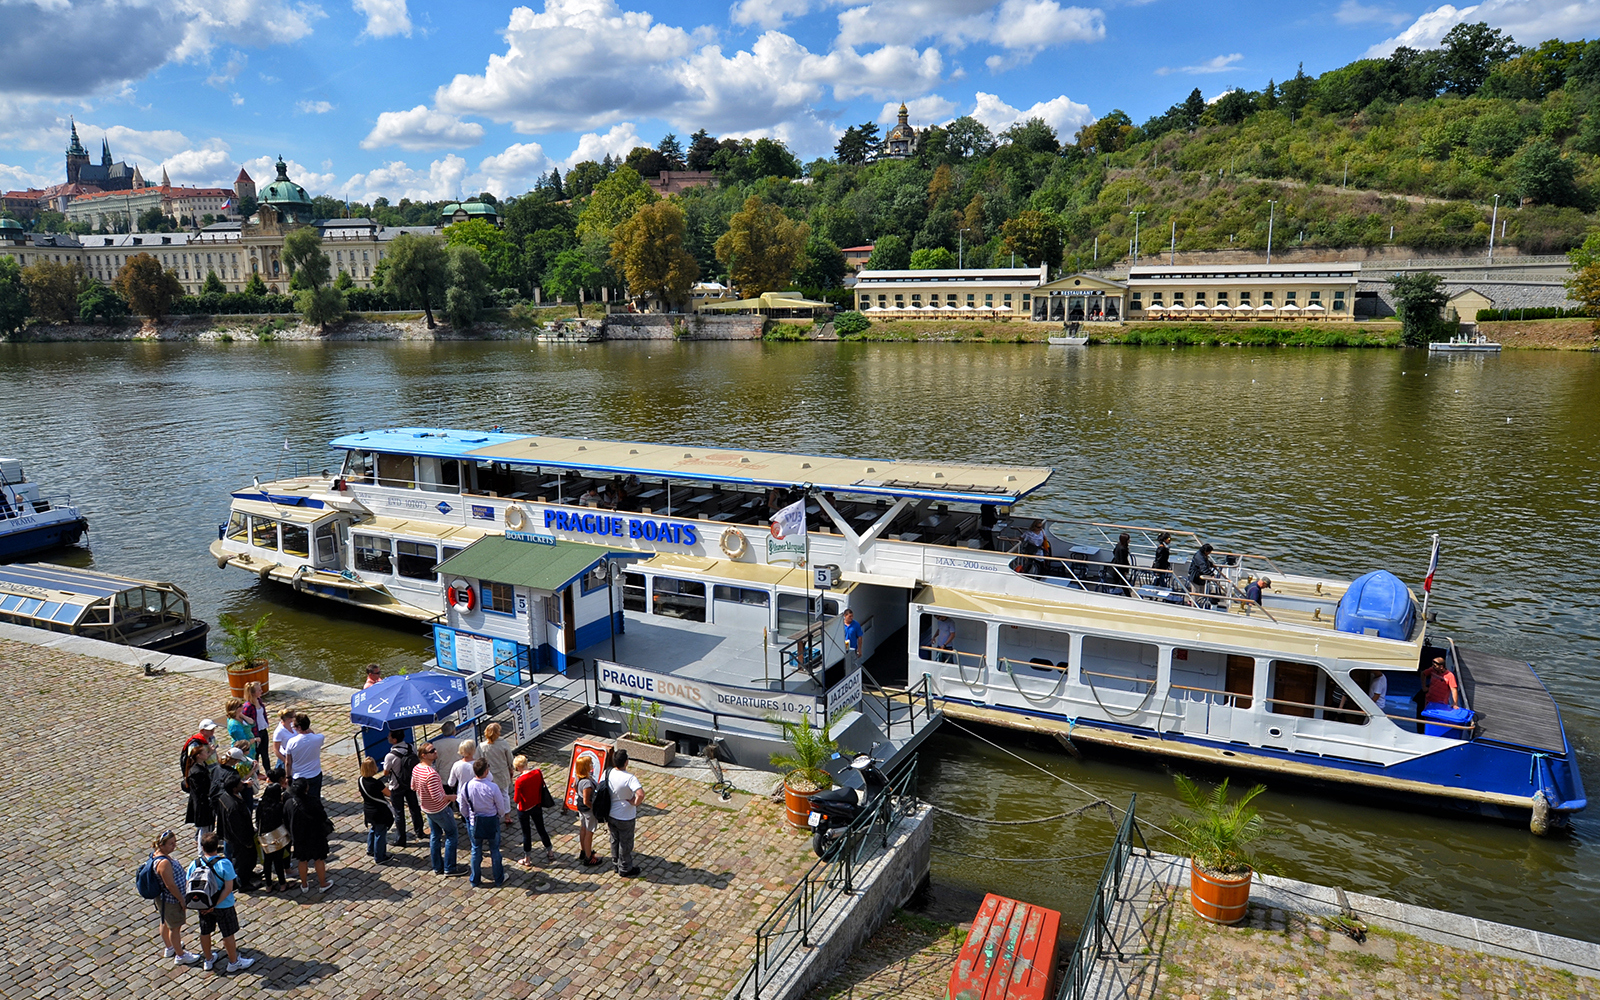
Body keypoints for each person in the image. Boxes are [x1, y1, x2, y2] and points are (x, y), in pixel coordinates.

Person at [188, 831, 255, 974]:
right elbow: (228, 888)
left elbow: (189, 885)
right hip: (224, 905)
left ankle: (208, 959)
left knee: (205, 932)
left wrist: (206, 905)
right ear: (216, 846)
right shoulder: (224, 864)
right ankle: (233, 962)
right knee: (227, 934)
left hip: (203, 905)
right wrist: (215, 904)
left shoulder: (194, 864)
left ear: (202, 846)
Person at [148, 828, 201, 966]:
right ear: (162, 845)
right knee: (175, 928)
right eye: (171, 843)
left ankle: (170, 947)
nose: (174, 845)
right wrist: (181, 900)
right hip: (171, 899)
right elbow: (170, 885)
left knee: (165, 921)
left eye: (175, 842)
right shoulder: (164, 862)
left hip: (164, 899)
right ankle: (180, 955)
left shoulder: (158, 855)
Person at [412, 741, 463, 877]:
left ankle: (437, 866)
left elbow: (413, 787)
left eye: (434, 750)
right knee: (451, 835)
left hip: (427, 808)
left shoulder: (417, 768)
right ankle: (450, 867)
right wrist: (451, 797)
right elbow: (438, 797)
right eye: (431, 751)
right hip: (440, 809)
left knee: (435, 836)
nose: (435, 752)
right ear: (424, 755)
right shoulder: (431, 774)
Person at [461, 757, 505, 887]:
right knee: (495, 850)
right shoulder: (493, 787)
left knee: (476, 850)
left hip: (475, 822)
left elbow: (463, 807)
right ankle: (498, 878)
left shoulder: (466, 786)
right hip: (491, 821)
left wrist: (468, 818)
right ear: (486, 771)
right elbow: (501, 807)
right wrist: (499, 815)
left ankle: (475, 879)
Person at [283, 776, 333, 893]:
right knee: (319, 859)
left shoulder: (289, 803)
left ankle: (304, 885)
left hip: (299, 837)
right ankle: (322, 883)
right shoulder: (314, 801)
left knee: (302, 860)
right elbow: (322, 816)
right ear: (306, 788)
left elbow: (286, 820)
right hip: (315, 835)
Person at [212, 771, 260, 892]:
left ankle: (248, 874)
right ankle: (243, 883)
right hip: (239, 839)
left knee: (248, 860)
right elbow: (237, 827)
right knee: (242, 861)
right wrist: (246, 842)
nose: (242, 784)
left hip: (235, 835)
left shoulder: (225, 796)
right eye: (239, 784)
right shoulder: (233, 806)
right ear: (234, 788)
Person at [381, 729, 425, 846]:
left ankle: (401, 839)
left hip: (396, 786)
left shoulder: (390, 756)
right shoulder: (411, 747)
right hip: (410, 782)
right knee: (414, 808)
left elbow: (386, 772)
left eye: (389, 736)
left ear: (394, 740)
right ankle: (419, 831)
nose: (388, 737)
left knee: (399, 813)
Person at [606, 749, 645, 877]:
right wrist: (635, 803)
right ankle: (625, 868)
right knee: (625, 843)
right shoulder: (629, 778)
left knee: (614, 839)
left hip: (610, 813)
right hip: (625, 816)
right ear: (626, 762)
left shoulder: (608, 773)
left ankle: (615, 863)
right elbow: (640, 794)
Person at [512, 755, 555, 868]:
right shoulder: (538, 772)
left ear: (518, 767)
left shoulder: (519, 780)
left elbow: (516, 799)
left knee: (526, 833)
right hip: (536, 805)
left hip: (524, 808)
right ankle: (550, 851)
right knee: (541, 828)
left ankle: (527, 858)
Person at [256, 766, 291, 892]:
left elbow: (257, 819)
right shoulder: (278, 806)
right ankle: (282, 884)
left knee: (267, 862)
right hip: (277, 835)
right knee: (278, 861)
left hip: (264, 835)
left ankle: (269, 885)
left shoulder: (262, 804)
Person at [283, 713, 326, 803]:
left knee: (300, 801)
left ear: (299, 727)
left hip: (299, 776)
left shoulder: (292, 742)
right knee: (315, 799)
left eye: (294, 726)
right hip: (315, 773)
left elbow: (288, 762)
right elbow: (313, 734)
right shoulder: (319, 738)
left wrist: (288, 776)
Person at [183, 741, 216, 854]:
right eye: (205, 752)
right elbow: (201, 792)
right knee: (204, 830)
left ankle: (208, 848)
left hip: (206, 803)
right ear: (199, 756)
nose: (207, 754)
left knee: (208, 828)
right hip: (202, 805)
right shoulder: (196, 772)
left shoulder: (201, 765)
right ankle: (201, 853)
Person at [480, 722, 515, 826]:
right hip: (502, 771)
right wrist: (511, 768)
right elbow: (509, 757)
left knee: (492, 795)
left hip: (489, 773)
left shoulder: (482, 746)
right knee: (504, 794)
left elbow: (480, 760)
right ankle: (507, 815)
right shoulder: (503, 743)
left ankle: (495, 814)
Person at [358, 757, 392, 864]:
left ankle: (370, 849)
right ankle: (380, 856)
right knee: (380, 833)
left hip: (368, 810)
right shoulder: (376, 783)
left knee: (373, 829)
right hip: (379, 811)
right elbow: (389, 793)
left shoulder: (360, 780)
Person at [573, 756, 601, 867]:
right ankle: (589, 858)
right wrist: (593, 808)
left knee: (583, 828)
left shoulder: (578, 777)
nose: (592, 765)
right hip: (588, 810)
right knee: (589, 832)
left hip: (580, 808)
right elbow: (586, 800)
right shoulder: (587, 783)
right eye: (590, 764)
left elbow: (575, 786)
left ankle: (584, 851)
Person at [243, 682, 270, 764]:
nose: (261, 691)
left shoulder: (259, 701)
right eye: (259, 690)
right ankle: (256, 771)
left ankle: (268, 772)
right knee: (256, 754)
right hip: (255, 732)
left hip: (263, 730)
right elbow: (244, 721)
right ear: (253, 693)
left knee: (265, 754)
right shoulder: (248, 706)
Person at [225, 698, 256, 762]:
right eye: (240, 705)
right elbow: (242, 741)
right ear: (235, 709)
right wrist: (255, 739)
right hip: (243, 751)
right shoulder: (234, 724)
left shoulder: (239, 716)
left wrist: (243, 716)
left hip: (250, 748)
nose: (243, 706)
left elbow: (252, 723)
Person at [448, 738, 478, 803]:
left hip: (462, 796)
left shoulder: (456, 764)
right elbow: (489, 778)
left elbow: (451, 783)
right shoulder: (478, 764)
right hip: (477, 795)